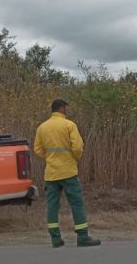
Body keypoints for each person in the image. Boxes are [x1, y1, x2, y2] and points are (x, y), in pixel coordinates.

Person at [34, 99, 101, 248]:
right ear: (63, 109)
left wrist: (50, 158)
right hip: (69, 171)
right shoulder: (69, 125)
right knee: (76, 204)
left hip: (51, 174)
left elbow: (37, 149)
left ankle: (55, 239)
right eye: (66, 108)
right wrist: (73, 159)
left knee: (52, 206)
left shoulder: (42, 128)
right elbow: (77, 147)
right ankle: (82, 237)